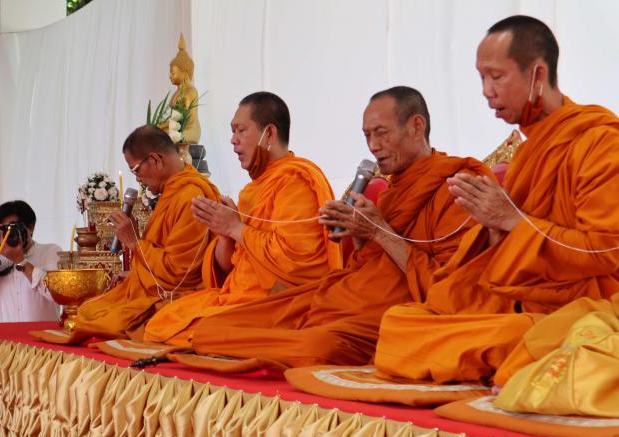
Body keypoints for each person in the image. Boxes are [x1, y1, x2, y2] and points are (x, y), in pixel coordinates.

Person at [371, 15, 619, 384]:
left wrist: (511, 220)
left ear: (537, 75)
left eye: (496, 76)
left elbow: (605, 251)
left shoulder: (599, 142)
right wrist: (491, 231)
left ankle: (523, 354)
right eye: (481, 78)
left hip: (576, 304)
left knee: (517, 336)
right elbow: (501, 258)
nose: (486, 91)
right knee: (399, 322)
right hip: (516, 300)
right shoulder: (530, 151)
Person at [190, 87, 490, 367]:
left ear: (416, 126)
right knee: (210, 330)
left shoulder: (457, 186)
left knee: (318, 347)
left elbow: (451, 290)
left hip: (387, 313)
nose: (373, 146)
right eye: (367, 136)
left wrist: (377, 231)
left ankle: (295, 342)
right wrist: (360, 237)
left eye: (381, 133)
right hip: (340, 299)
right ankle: (290, 340)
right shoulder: (392, 191)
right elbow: (368, 267)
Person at [143, 91, 336, 347]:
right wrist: (225, 234)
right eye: (232, 131)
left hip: (279, 303)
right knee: (163, 321)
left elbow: (295, 262)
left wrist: (235, 228)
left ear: (269, 134)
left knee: (198, 332)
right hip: (239, 297)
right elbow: (232, 267)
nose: (233, 140)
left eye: (241, 130)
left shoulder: (295, 181)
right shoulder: (253, 190)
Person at [69, 126, 221, 340]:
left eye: (136, 170)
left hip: (178, 297)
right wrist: (136, 275)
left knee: (98, 318)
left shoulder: (190, 197)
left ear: (156, 160)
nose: (138, 179)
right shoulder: (172, 192)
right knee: (88, 310)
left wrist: (134, 242)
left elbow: (179, 275)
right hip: (156, 289)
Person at [0, 200, 61, 322]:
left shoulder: (50, 252)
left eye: (13, 228)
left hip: (44, 333)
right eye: (4, 230)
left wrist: (20, 261)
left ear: (30, 228)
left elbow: (58, 293)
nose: (8, 234)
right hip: (6, 334)